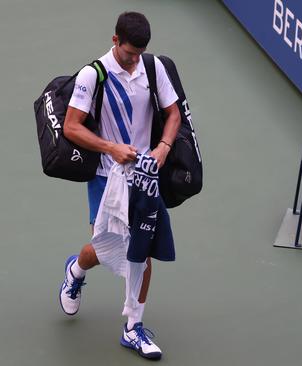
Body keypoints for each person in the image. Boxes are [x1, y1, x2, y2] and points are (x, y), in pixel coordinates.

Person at [58, 11, 181, 360]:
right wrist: (111, 148)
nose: (133, 60)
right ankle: (76, 269)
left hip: (144, 177)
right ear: (115, 41)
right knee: (106, 248)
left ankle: (133, 327)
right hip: (106, 177)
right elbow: (72, 127)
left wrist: (162, 148)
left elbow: (173, 114)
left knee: (142, 249)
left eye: (139, 53)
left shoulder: (153, 69)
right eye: (128, 53)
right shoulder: (92, 74)